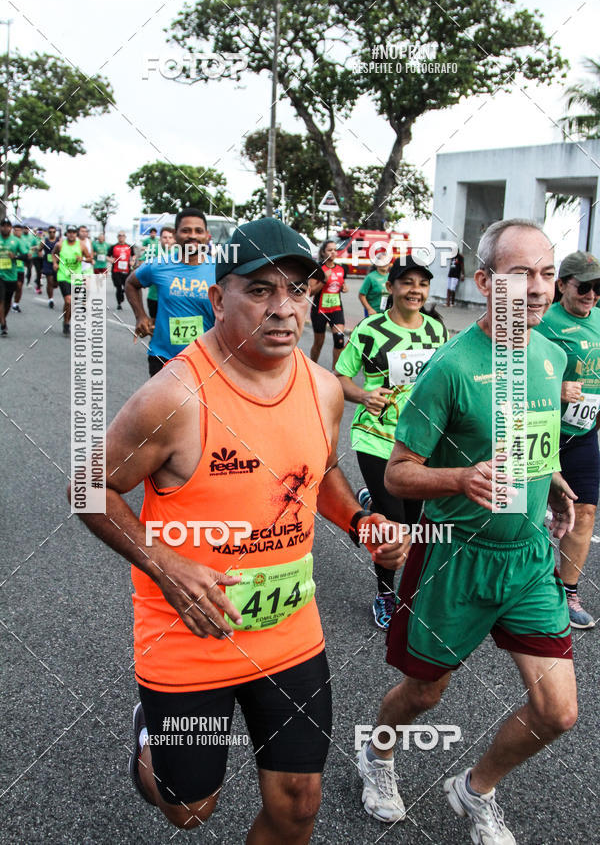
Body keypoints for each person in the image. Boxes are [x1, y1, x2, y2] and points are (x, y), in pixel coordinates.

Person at [72, 216, 408, 840]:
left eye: (298, 290)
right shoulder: (173, 396)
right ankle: (152, 727)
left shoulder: (325, 389)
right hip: (188, 632)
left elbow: (321, 472)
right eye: (260, 290)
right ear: (217, 296)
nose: (284, 309)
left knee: (298, 805)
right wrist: (167, 566)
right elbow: (89, 487)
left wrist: (362, 522)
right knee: (189, 809)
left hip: (288, 627)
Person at [357, 219, 578, 845]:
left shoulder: (551, 352)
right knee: (426, 693)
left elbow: (536, 435)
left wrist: (552, 475)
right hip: (455, 557)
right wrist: (460, 480)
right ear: (483, 281)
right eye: (518, 274)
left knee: (558, 711)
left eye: (544, 272)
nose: (537, 289)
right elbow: (397, 476)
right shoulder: (449, 368)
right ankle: (377, 755)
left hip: (528, 556)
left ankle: (475, 788)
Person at [335, 256, 448, 629]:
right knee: (394, 528)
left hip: (419, 442)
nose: (415, 290)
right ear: (391, 287)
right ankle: (386, 594)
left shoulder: (436, 331)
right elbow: (341, 377)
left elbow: (445, 380)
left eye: (421, 283)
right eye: (407, 282)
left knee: (414, 526)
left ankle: (374, 500)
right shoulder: (370, 329)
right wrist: (364, 396)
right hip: (376, 437)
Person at [537, 250, 600, 629]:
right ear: (561, 285)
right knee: (521, 512)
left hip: (584, 432)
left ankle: (568, 591)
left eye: (598, 288)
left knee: (586, 511)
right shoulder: (543, 322)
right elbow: (514, 369)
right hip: (541, 430)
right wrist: (553, 389)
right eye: (584, 287)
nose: (591, 295)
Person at [125, 211, 215, 376]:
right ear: (175, 234)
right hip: (163, 357)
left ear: (207, 236)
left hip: (205, 359)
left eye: (198, 231)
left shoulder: (220, 270)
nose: (192, 236)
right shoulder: (159, 265)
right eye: (186, 230)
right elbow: (131, 283)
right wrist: (141, 316)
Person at [309, 240, 348, 368]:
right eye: (329, 250)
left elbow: (340, 283)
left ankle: (335, 374)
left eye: (335, 250)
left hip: (336, 309)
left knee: (339, 340)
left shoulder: (341, 269)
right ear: (323, 252)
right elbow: (311, 292)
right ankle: (312, 369)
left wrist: (343, 287)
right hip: (319, 310)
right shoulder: (318, 269)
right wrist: (324, 280)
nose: (333, 252)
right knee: (318, 343)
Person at [52, 225, 93, 335]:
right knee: (68, 300)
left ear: (76, 234)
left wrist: (83, 259)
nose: (71, 234)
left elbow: (90, 259)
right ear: (67, 233)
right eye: (69, 232)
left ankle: (67, 321)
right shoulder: (60, 244)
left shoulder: (82, 245)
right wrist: (55, 263)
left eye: (74, 232)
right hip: (63, 275)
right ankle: (66, 322)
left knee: (72, 303)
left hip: (77, 277)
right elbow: (54, 253)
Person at [134, 225, 175, 320]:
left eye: (170, 237)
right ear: (160, 239)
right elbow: (140, 263)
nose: (167, 240)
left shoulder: (178, 252)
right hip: (154, 296)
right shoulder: (153, 249)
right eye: (165, 237)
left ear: (174, 239)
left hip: (172, 297)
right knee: (154, 326)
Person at [0, 217, 20, 335]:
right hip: (0, 275)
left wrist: (16, 257)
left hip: (11, 275)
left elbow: (26, 255)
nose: (5, 228)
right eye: (3, 225)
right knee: (0, 300)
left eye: (8, 225)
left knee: (8, 301)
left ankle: (3, 318)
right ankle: (3, 324)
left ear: (10, 228)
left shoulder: (16, 241)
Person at [108, 231, 133, 309]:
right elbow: (107, 256)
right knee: (118, 286)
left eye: (123, 236)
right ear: (117, 237)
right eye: (119, 236)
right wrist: (110, 260)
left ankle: (122, 293)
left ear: (125, 237)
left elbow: (133, 256)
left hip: (126, 270)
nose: (121, 237)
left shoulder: (129, 246)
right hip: (116, 270)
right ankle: (119, 303)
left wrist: (132, 261)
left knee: (126, 287)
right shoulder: (113, 247)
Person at [41, 225, 59, 308]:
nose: (52, 233)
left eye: (53, 232)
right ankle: (50, 299)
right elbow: (39, 249)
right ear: (48, 233)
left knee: (55, 283)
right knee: (50, 281)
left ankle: (53, 286)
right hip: (47, 263)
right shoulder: (45, 240)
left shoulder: (59, 241)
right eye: (50, 232)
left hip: (57, 263)